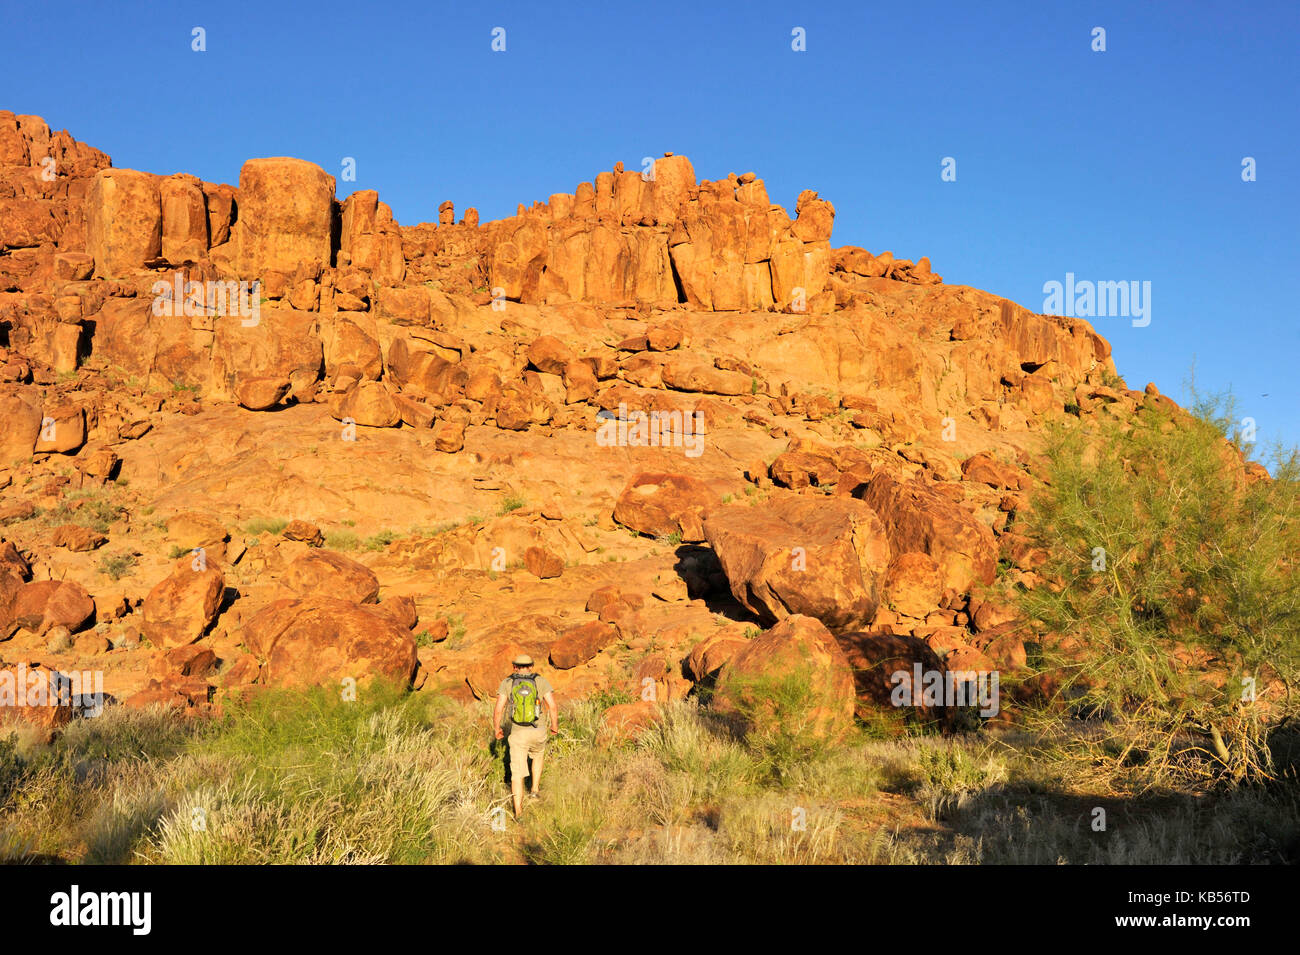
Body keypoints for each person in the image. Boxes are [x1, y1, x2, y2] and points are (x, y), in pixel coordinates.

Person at [493, 654, 557, 820]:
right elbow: (553, 706)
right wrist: (554, 726)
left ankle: (519, 812)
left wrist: (497, 728)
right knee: (537, 755)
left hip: (518, 733)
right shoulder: (540, 681)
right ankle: (534, 791)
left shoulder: (508, 682)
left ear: (515, 666)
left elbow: (499, 709)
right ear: (531, 666)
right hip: (538, 730)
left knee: (517, 773)